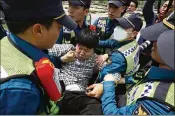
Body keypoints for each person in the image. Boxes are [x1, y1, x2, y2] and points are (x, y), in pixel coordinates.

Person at [86, 13, 175, 115]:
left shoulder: (159, 104)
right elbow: (138, 77)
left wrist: (108, 84)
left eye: (162, 39)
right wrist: (116, 81)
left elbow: (112, 114)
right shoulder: (156, 69)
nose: (153, 42)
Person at [0, 0, 77, 114]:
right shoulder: (23, 90)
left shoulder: (7, 41)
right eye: (59, 27)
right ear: (38, 30)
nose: (59, 31)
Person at [48, 28, 103, 115]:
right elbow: (44, 51)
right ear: (76, 44)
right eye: (80, 48)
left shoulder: (96, 59)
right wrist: (61, 59)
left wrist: (107, 55)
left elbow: (111, 70)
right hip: (60, 89)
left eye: (87, 50)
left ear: (93, 50)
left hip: (79, 94)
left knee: (95, 107)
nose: (82, 53)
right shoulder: (68, 49)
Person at [96, 13, 143, 84]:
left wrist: (101, 64)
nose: (117, 28)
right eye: (118, 25)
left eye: (123, 27)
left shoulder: (118, 57)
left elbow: (103, 75)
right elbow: (109, 42)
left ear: (134, 33)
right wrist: (91, 41)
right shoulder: (131, 42)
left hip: (118, 88)